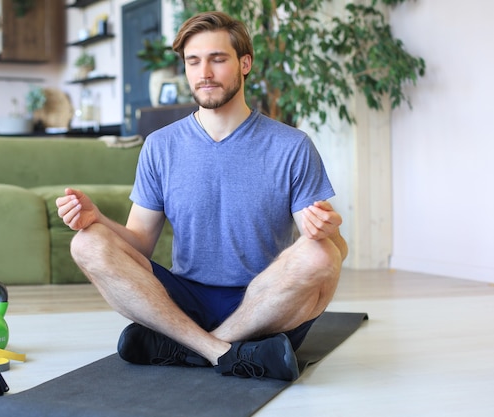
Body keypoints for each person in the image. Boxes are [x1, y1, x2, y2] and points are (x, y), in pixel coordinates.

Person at [56, 11, 348, 382]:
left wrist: (329, 230)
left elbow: (336, 250)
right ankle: (223, 352)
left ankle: (187, 346)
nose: (204, 72)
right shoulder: (160, 146)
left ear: (245, 63)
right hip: (184, 300)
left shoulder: (291, 146)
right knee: (87, 244)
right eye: (193, 61)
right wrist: (96, 221)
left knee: (324, 254)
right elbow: (139, 244)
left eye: (217, 59)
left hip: (264, 304)